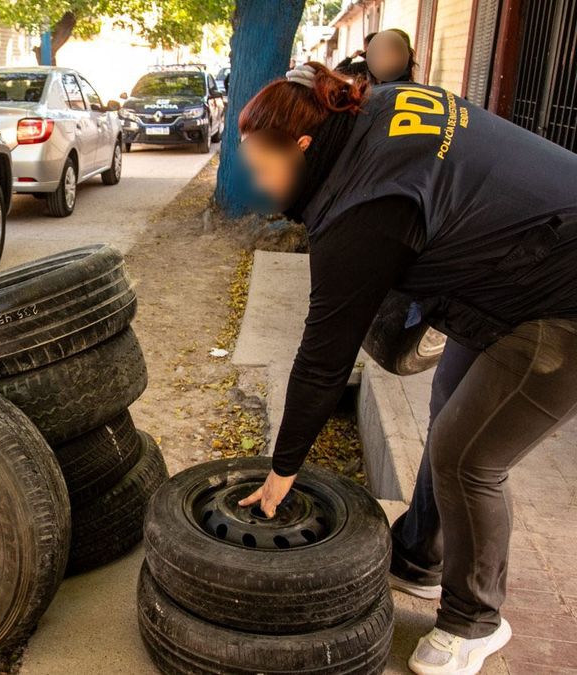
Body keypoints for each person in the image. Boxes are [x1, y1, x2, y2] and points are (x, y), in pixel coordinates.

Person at [235, 62, 577, 675]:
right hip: (515, 268)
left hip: (564, 297)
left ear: (302, 147)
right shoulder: (370, 106)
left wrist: (284, 468)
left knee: (468, 456)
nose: (258, 181)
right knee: (452, 403)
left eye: (263, 166)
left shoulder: (366, 206)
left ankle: (474, 623)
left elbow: (323, 358)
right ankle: (421, 556)